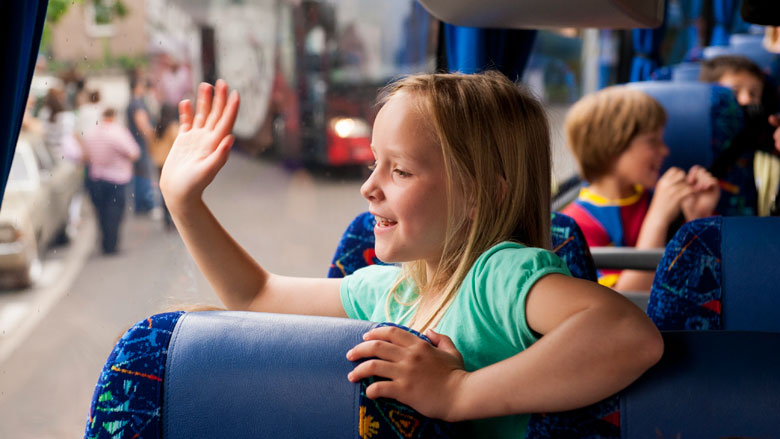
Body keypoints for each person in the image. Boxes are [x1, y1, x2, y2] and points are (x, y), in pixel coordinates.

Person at [159, 73, 663, 438]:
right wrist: (185, 204)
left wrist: (458, 393)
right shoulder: (394, 288)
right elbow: (256, 295)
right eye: (375, 164)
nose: (368, 188)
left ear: (479, 195)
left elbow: (627, 334)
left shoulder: (498, 276)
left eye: (399, 171)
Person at [562, 86, 720, 291]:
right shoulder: (578, 224)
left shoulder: (661, 200)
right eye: (652, 142)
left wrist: (698, 217)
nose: (665, 150)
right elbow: (624, 300)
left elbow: (704, 281)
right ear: (613, 147)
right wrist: (657, 218)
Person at [699, 55, 780, 216]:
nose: (745, 100)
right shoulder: (692, 155)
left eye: (754, 94)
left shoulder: (767, 164)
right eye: (734, 92)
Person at [83, 108, 141, 254]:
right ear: (114, 116)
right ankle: (111, 245)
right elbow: (134, 153)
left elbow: (85, 154)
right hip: (116, 178)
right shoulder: (117, 132)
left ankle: (105, 243)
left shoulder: (91, 133)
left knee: (101, 212)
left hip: (95, 178)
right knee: (114, 213)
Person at [127, 75, 157, 215]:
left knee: (140, 174)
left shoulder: (131, 103)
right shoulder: (137, 104)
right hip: (141, 144)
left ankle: (141, 205)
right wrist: (152, 139)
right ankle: (146, 205)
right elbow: (143, 126)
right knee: (144, 175)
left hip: (136, 143)